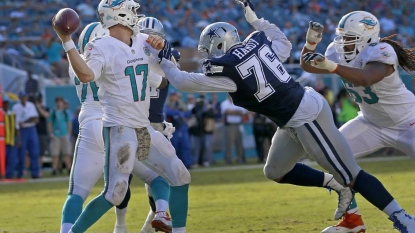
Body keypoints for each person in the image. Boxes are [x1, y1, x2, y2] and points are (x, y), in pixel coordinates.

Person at [146, 1, 415, 232]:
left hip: (306, 115)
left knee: (350, 174)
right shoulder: (258, 46)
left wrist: (165, 57)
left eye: (208, 48)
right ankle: (338, 187)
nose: (206, 55)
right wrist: (257, 21)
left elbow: (181, 81)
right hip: (297, 116)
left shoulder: (228, 72)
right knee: (275, 170)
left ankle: (401, 218)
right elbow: (283, 44)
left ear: (218, 44)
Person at [52, 0, 191, 232]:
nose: (137, 15)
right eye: (132, 10)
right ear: (119, 15)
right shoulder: (101, 46)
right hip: (118, 128)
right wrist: (66, 42)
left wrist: (163, 49)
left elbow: (170, 73)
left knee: (180, 175)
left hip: (142, 127)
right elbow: (86, 75)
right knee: (114, 193)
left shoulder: (143, 41)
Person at [301, 11, 415, 233]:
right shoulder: (336, 51)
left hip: (409, 121)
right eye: (342, 37)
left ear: (368, 36)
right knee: (332, 159)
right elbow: (308, 66)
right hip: (370, 123)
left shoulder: (382, 51)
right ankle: (352, 221)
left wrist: (331, 66)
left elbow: (367, 78)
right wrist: (310, 44)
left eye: (350, 38)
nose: (344, 43)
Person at [137, 16, 185, 233]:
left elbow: (172, 74)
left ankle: (152, 225)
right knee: (159, 181)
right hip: (146, 124)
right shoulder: (167, 55)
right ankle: (157, 222)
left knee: (156, 182)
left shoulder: (130, 53)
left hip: (143, 124)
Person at [12, 91, 40, 179]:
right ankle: (20, 173)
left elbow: (35, 119)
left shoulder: (30, 105)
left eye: (25, 97)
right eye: (22, 97)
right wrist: (28, 120)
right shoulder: (16, 107)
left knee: (34, 152)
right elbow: (17, 124)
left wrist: (25, 121)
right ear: (20, 98)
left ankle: (35, 173)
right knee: (21, 152)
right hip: (22, 130)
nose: (24, 99)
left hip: (31, 128)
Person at [48, 96, 72, 175]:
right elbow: (50, 123)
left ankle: (69, 168)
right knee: (55, 153)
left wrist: (69, 133)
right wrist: (51, 133)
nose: (59, 103)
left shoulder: (65, 112)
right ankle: (54, 169)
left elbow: (69, 123)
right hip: (56, 135)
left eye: (60, 101)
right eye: (57, 101)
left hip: (65, 134)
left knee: (67, 153)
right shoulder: (53, 112)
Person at [3, 94, 20, 179]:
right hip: (2, 141)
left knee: (12, 159)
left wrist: (19, 140)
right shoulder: (1, 114)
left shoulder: (12, 115)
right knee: (3, 159)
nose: (5, 104)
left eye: (6, 103)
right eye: (4, 103)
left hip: (11, 140)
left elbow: (17, 128)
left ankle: (9, 175)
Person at [34, 93, 49, 176]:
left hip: (42, 133)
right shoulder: (32, 108)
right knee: (34, 153)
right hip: (35, 132)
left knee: (41, 153)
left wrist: (38, 106)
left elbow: (45, 115)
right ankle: (32, 169)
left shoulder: (44, 108)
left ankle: (38, 169)